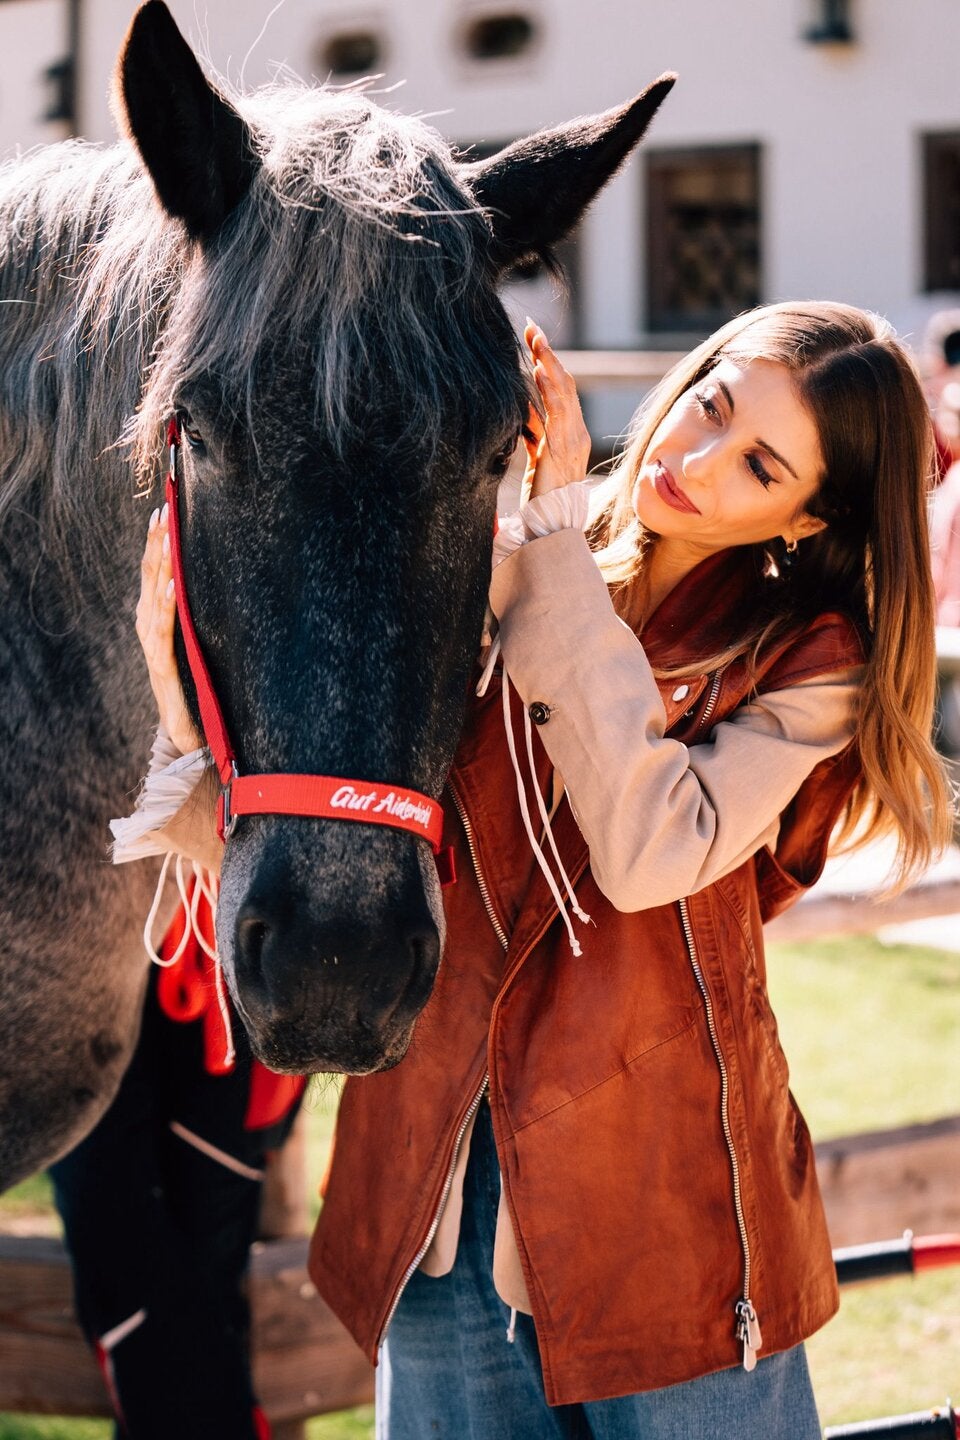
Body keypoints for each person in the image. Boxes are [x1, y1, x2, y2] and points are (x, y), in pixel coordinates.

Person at [131, 300, 951, 1439]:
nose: (696, 460)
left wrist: (556, 556)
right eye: (710, 404)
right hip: (434, 1187)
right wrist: (180, 703)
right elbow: (343, 833)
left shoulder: (814, 665)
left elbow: (648, 849)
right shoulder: (482, 546)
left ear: (808, 519)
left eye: (758, 462)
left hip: (663, 1206)